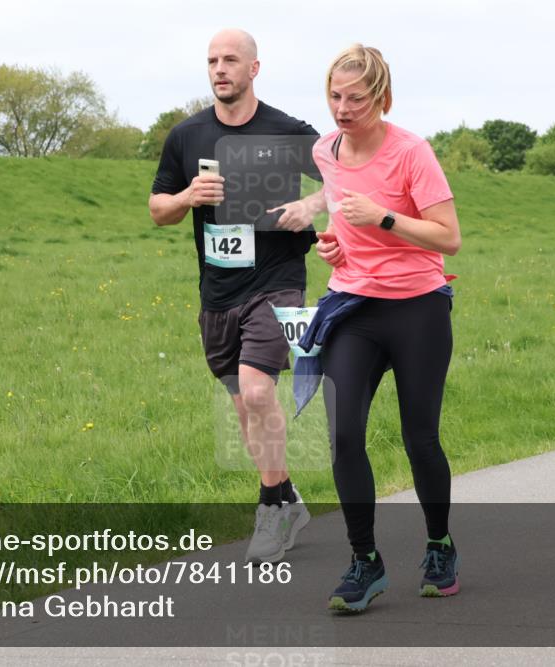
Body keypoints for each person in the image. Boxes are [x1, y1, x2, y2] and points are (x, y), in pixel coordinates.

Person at [148, 28, 326, 563]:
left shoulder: (288, 131)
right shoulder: (186, 137)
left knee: (255, 392)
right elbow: (158, 210)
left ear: (254, 69)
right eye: (211, 61)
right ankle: (288, 495)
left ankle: (270, 510)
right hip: (218, 291)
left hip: (277, 279)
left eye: (230, 60)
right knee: (246, 410)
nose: (219, 68)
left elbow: (343, 178)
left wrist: (311, 207)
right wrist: (185, 196)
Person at [309, 44, 462, 611]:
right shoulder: (326, 150)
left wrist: (385, 218)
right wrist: (333, 244)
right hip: (352, 307)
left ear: (382, 99)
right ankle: (364, 561)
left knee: (419, 437)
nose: (342, 109)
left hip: (417, 308)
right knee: (344, 433)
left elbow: (448, 237)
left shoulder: (411, 153)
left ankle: (440, 545)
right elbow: (339, 218)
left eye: (356, 98)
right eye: (334, 96)